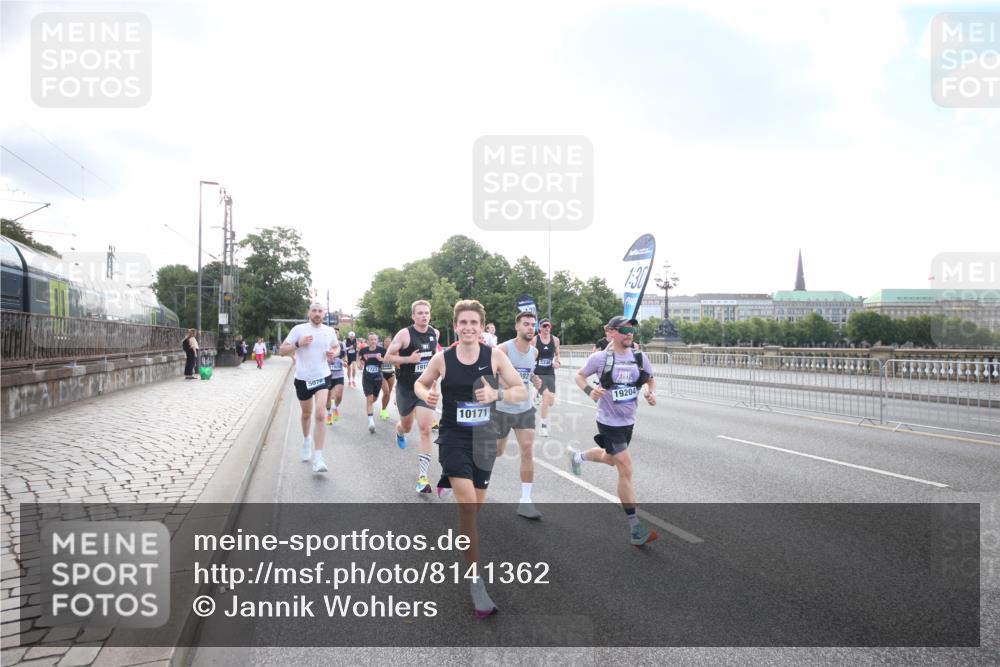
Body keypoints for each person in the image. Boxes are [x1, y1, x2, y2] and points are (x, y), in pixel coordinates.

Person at [414, 299, 527, 618]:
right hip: (453, 438)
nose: (468, 327)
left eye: (473, 322)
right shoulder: (443, 358)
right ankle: (476, 583)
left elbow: (520, 390)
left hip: (483, 439)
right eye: (462, 322)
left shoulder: (495, 356)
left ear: (481, 327)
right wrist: (426, 394)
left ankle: (464, 535)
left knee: (474, 511)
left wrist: (497, 394)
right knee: (467, 507)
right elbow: (420, 383)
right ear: (455, 326)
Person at [571, 316, 658, 546]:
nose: (630, 334)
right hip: (608, 422)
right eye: (624, 330)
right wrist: (590, 391)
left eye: (632, 330)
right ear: (611, 332)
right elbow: (579, 376)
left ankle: (578, 457)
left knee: (610, 459)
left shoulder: (639, 357)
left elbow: (650, 379)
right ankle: (635, 529)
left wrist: (650, 392)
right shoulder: (600, 358)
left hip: (628, 421)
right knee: (626, 468)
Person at [385, 300, 441, 493]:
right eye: (420, 313)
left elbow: (435, 357)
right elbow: (387, 357)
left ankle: (423, 477)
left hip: (424, 388)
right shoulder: (404, 334)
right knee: (407, 426)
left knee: (425, 428)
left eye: (426, 313)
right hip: (406, 388)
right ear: (413, 316)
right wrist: (408, 359)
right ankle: (400, 431)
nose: (424, 316)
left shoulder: (435, 333)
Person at [495, 311, 545, 519]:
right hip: (502, 409)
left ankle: (525, 501)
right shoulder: (503, 349)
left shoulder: (534, 352)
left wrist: (534, 379)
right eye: (526, 324)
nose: (530, 327)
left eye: (533, 324)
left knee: (527, 451)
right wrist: (505, 383)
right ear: (517, 327)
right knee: (496, 452)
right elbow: (488, 373)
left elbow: (527, 372)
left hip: (524, 408)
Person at [280, 302, 340, 473]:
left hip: (322, 376)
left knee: (320, 414)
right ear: (309, 313)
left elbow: (336, 346)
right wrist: (298, 344)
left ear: (324, 314)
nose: (317, 313)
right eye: (314, 310)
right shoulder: (299, 330)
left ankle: (319, 458)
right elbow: (282, 350)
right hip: (303, 378)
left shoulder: (329, 331)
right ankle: (306, 439)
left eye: (320, 311)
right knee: (306, 414)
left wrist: (334, 353)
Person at [534, 318, 561, 437]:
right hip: (538, 373)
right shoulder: (535, 340)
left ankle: (536, 394)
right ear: (540, 327)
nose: (546, 328)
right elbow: (529, 354)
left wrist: (558, 362)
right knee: (546, 398)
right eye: (544, 326)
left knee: (550, 402)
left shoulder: (555, 340)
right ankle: (543, 427)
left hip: (550, 372)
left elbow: (557, 354)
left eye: (548, 326)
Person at [357, 332, 386, 434]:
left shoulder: (382, 350)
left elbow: (388, 361)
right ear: (368, 341)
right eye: (371, 339)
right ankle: (371, 422)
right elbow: (359, 358)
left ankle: (369, 408)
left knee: (374, 398)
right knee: (369, 399)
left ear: (377, 341)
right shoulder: (364, 350)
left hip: (378, 378)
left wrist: (381, 359)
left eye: (375, 339)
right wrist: (359, 363)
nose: (373, 341)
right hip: (367, 377)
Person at [326, 343, 347, 425]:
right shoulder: (326, 348)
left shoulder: (340, 347)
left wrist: (345, 363)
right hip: (328, 377)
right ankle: (329, 414)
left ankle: (334, 407)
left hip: (339, 377)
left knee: (339, 396)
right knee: (329, 397)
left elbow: (345, 359)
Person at [380, 335, 396, 420]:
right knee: (386, 392)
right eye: (386, 341)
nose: (388, 343)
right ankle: (383, 410)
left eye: (389, 341)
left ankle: (384, 410)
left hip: (390, 372)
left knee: (388, 393)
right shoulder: (380, 350)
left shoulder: (394, 351)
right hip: (381, 373)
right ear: (383, 342)